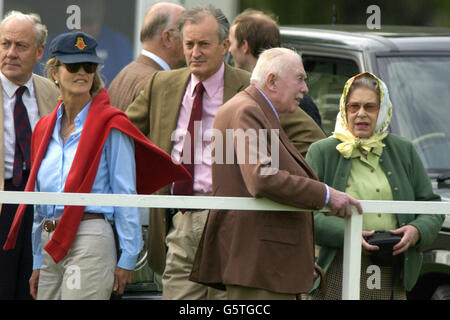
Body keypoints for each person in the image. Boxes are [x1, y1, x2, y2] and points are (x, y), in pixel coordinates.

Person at [3, 31, 189, 300]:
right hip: (48, 241)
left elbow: (125, 194)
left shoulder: (112, 124)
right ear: (54, 72)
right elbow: (39, 201)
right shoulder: (44, 127)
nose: (82, 73)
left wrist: (128, 256)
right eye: (73, 66)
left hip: (90, 236)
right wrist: (36, 260)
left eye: (88, 66)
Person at [189, 48, 362, 300]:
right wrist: (326, 195)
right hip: (259, 267)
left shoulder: (252, 109)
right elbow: (261, 178)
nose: (305, 89)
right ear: (271, 81)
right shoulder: (248, 110)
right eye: (300, 79)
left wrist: (297, 257)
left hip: (265, 264)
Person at [125, 5, 250, 300]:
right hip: (179, 219)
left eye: (204, 44)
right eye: (189, 44)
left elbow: (305, 137)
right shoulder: (162, 84)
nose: (196, 52)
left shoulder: (248, 87)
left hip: (230, 221)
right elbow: (123, 132)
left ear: (225, 46)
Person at [305, 72, 444, 299]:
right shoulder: (322, 152)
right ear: (344, 109)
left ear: (383, 111)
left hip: (392, 267)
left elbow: (430, 206)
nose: (361, 114)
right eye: (354, 106)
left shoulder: (403, 149)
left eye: (370, 107)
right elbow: (308, 214)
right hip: (337, 268)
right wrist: (348, 234)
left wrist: (416, 231)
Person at [0, 11, 59, 300]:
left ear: (39, 52)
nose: (10, 53)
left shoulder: (52, 92)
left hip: (39, 204)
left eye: (20, 46)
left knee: (32, 288)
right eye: (4, 44)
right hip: (4, 200)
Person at [228, 8, 323, 129]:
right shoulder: (301, 101)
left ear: (245, 46)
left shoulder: (297, 101)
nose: (229, 50)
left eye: (231, 43)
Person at [108, 2, 185, 111]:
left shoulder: (124, 74)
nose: (191, 41)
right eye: (185, 32)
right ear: (168, 37)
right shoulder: (158, 84)